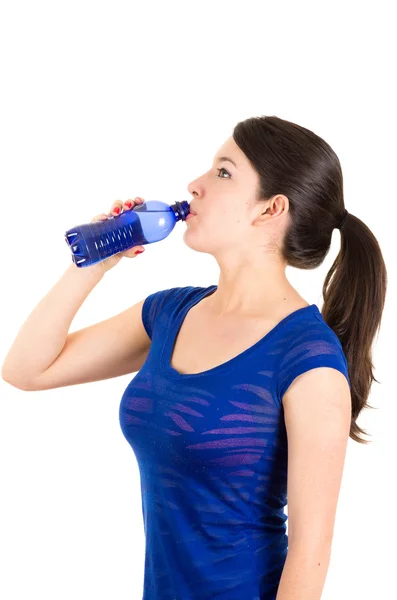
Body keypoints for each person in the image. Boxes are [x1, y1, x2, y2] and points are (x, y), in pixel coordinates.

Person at [2, 115, 387, 599]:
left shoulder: (307, 358)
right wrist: (96, 261)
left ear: (271, 209)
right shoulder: (169, 312)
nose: (195, 185)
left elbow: (311, 553)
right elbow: (26, 369)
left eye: (223, 173)